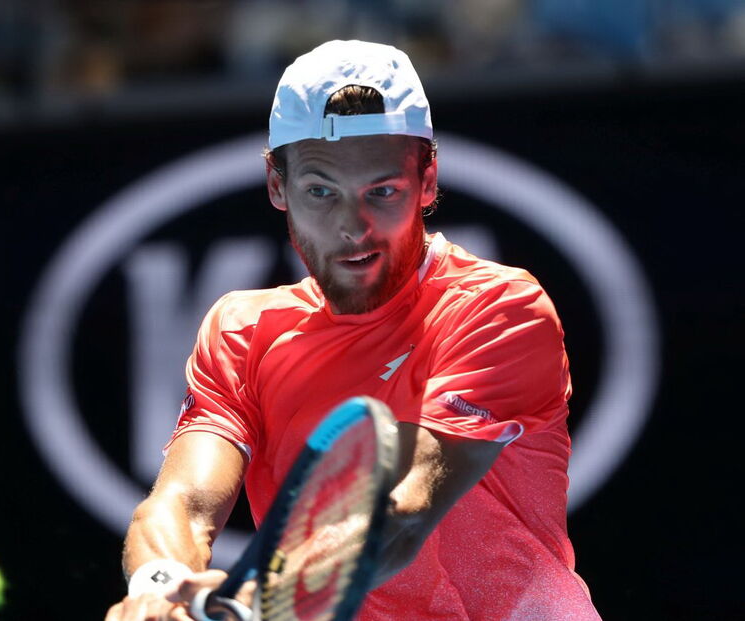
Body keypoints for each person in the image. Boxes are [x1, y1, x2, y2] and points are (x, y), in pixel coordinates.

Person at [106, 39, 601, 621]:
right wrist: (159, 586)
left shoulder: (498, 308)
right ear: (277, 186)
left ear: (428, 181)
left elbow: (403, 509)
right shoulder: (242, 331)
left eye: (382, 191)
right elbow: (183, 503)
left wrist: (256, 597)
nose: (353, 227)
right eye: (321, 191)